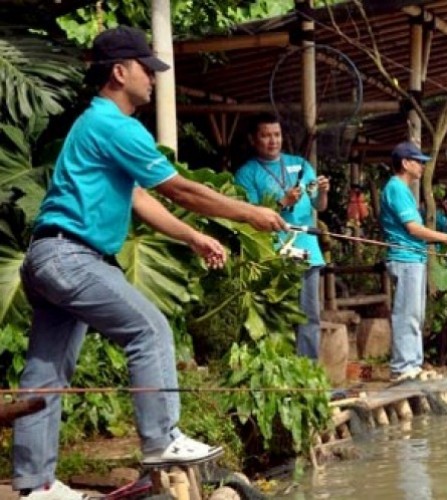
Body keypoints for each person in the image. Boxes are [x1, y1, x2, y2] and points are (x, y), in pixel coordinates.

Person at [13, 27, 286, 499]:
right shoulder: (114, 124)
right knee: (150, 329)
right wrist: (249, 214)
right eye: (148, 70)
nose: (154, 80)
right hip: (71, 256)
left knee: (46, 374)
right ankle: (162, 439)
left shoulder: (96, 124)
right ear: (120, 72)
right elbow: (177, 189)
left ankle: (36, 486)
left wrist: (195, 236)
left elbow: (140, 197)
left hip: (48, 256)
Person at [235, 113, 329, 360]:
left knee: (309, 315)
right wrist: (282, 202)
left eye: (276, 135)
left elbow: (319, 206)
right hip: (273, 255)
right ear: (253, 139)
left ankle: (308, 374)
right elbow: (248, 217)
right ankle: (279, 373)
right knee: (276, 316)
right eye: (266, 135)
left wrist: (323, 192)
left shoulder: (300, 164)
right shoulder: (247, 173)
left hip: (308, 252)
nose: (272, 140)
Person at [380, 141, 447, 382]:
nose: (422, 166)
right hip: (404, 257)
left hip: (414, 258)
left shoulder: (403, 190)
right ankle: (402, 366)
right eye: (418, 161)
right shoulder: (396, 187)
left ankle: (413, 364)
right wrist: (444, 237)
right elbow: (413, 228)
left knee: (415, 313)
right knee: (406, 312)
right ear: (405, 164)